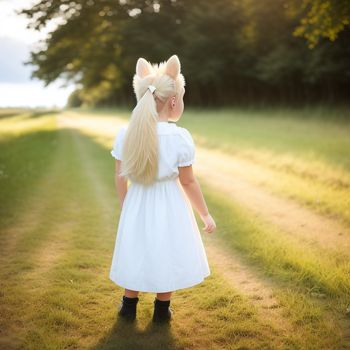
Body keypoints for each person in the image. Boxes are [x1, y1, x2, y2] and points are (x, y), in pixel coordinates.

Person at [109, 54, 216, 323]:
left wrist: (126, 207)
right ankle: (161, 309)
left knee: (137, 247)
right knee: (167, 248)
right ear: (172, 100)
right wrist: (205, 214)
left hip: (137, 200)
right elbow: (188, 181)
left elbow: (120, 177)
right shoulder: (179, 137)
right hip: (170, 202)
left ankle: (128, 305)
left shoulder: (126, 133)